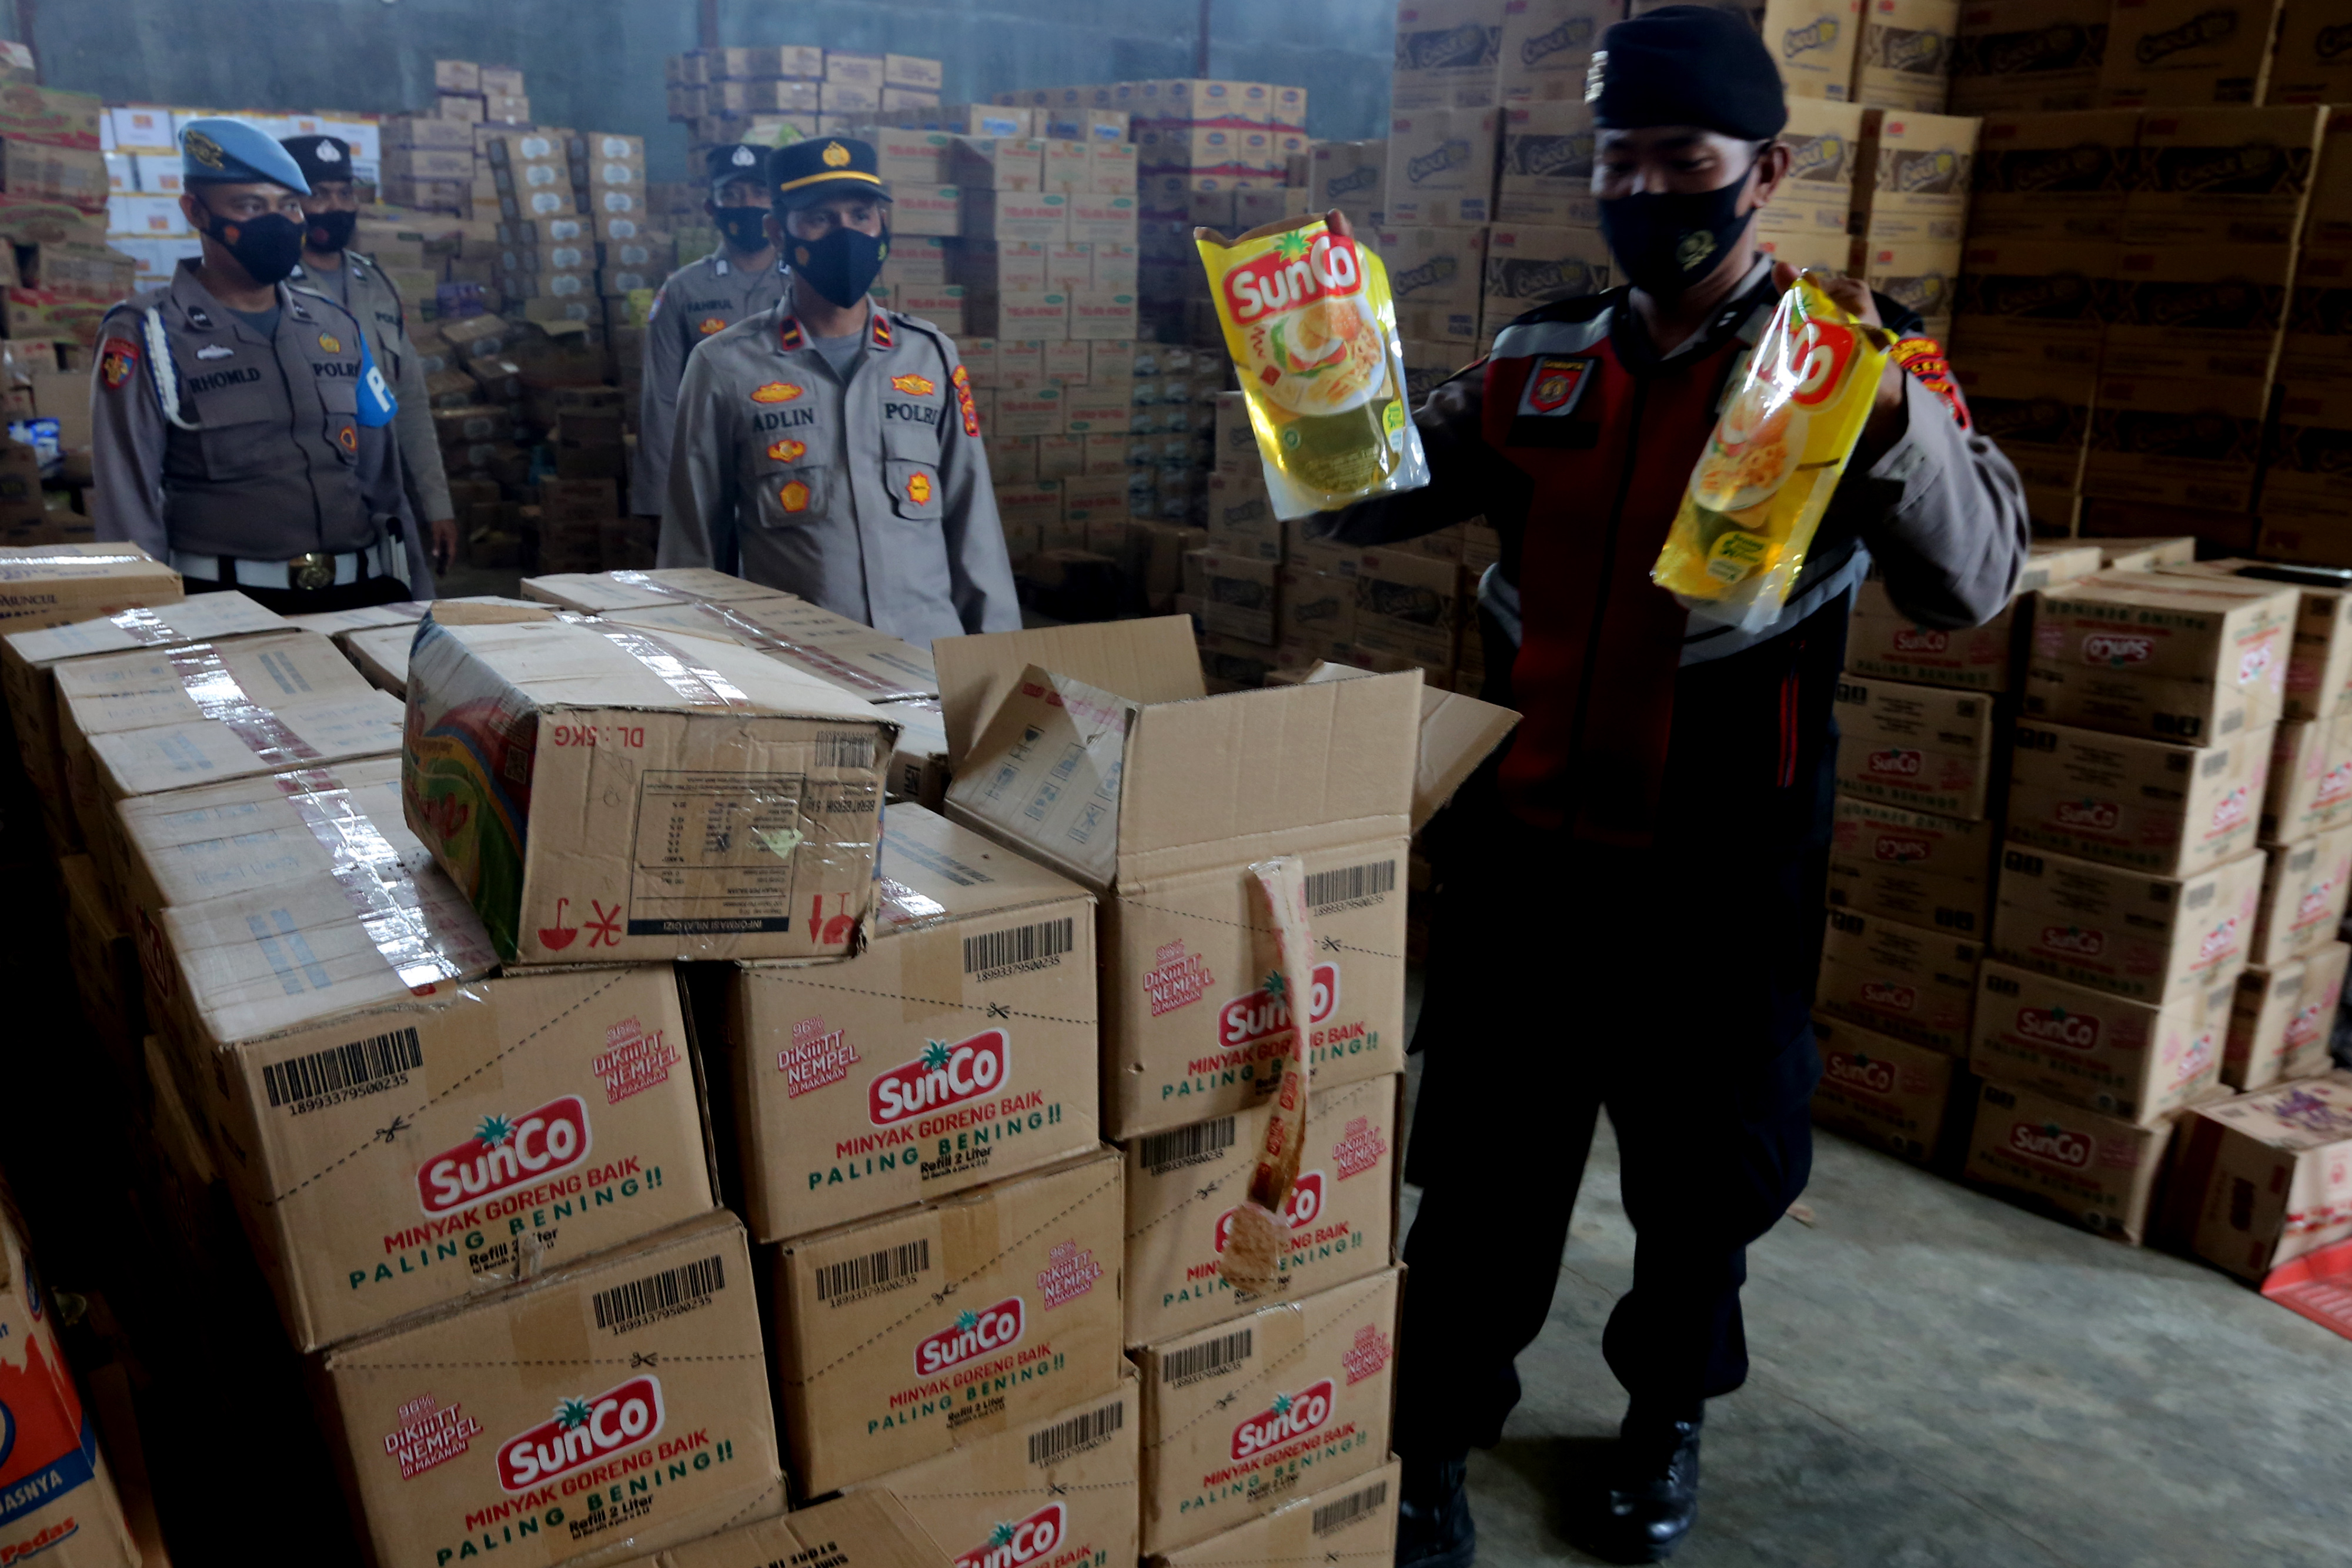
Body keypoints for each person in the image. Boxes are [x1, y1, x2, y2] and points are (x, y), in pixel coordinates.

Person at [1314, 11, 2030, 1566]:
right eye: (1617, 159)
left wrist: (1896, 410)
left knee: (1703, 1186)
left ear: (1763, 171)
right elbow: (1363, 510)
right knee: (1488, 1176)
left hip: (1724, 860)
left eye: (1680, 160)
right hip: (1529, 850)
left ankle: (1664, 1416)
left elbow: (1974, 583)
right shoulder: (1539, 354)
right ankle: (1431, 1433)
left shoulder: (1856, 362)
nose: (1645, 189)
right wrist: (1318, 384)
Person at [659, 138, 1018, 646]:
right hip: (801, 676)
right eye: (819, 219)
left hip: (929, 665)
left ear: (881, 226)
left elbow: (974, 525)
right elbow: (692, 549)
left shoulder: (931, 357)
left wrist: (998, 663)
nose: (845, 234)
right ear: (777, 233)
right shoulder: (724, 366)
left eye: (860, 214)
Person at [89, 117, 433, 611]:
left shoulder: (335, 327)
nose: (278, 222)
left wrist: (418, 600)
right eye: (250, 206)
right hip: (227, 607)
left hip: (362, 598)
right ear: (196, 212)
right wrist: (148, 632)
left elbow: (385, 487)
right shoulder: (148, 333)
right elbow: (128, 508)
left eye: (289, 206)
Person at [281, 132, 458, 578]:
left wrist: (437, 504)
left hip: (386, 495)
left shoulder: (375, 284)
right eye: (318, 194)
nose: (335, 207)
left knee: (401, 619)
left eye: (345, 193)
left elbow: (411, 401)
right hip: (306, 503)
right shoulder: (271, 290)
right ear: (291, 202)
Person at [630, 142, 790, 519]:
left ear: (778, 205)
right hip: (710, 467)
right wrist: (658, 499)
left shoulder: (804, 284)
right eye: (731, 195)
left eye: (759, 193)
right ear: (711, 208)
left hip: (792, 460)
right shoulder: (684, 290)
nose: (747, 204)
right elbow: (662, 399)